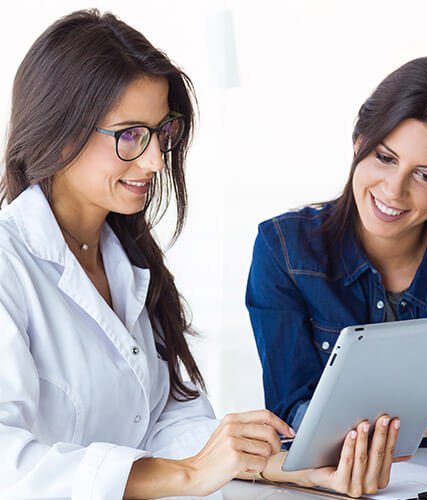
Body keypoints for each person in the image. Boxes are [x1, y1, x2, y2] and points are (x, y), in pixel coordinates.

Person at [0, 9, 402, 499]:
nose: (155, 160)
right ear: (60, 131)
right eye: (130, 135)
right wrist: (189, 474)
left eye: (161, 132)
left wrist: (285, 466)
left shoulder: (129, 259)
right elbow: (9, 465)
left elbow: (168, 420)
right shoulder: (9, 264)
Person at [247, 56, 427, 451]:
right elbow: (287, 415)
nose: (394, 190)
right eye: (385, 157)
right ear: (358, 142)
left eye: (426, 176)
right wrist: (398, 422)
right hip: (327, 481)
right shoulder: (286, 252)